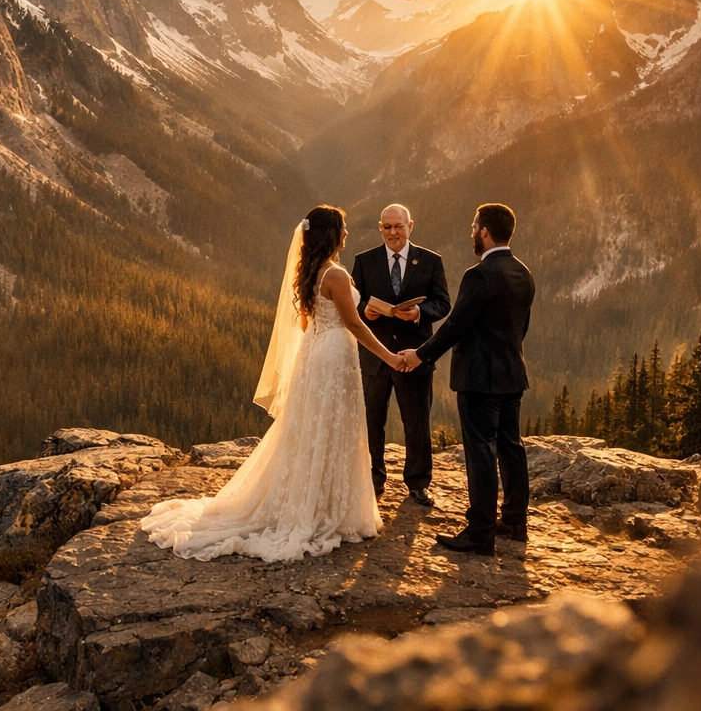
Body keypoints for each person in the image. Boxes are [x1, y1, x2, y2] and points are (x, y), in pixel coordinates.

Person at [141, 206, 406, 561]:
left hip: (315, 352)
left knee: (311, 429)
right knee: (333, 427)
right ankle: (327, 507)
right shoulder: (337, 275)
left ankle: (311, 499)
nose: (346, 234)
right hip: (334, 356)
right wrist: (391, 357)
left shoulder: (310, 271)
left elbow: (309, 321)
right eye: (342, 229)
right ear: (332, 234)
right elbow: (354, 325)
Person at [401, 203, 534, 555]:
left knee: (481, 452)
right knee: (511, 446)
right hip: (512, 374)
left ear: (485, 232)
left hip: (478, 378)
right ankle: (516, 522)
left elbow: (456, 326)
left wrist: (419, 355)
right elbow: (521, 328)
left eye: (474, 226)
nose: (472, 232)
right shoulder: (523, 273)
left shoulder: (479, 275)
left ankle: (480, 533)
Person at [352, 203, 450, 505]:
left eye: (399, 226)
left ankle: (418, 483)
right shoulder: (364, 260)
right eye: (387, 227)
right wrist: (365, 310)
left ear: (411, 226)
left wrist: (420, 312)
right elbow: (352, 303)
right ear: (381, 228)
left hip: (414, 355)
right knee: (371, 420)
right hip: (375, 355)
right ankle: (373, 477)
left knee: (417, 421)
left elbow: (443, 304)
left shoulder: (431, 261)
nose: (393, 232)